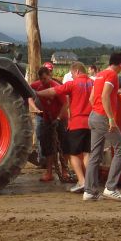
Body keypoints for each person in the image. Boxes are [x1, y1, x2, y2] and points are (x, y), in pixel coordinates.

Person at [36, 62, 93, 193]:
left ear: (77, 71)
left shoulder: (72, 84)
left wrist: (37, 93)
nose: (72, 76)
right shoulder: (93, 83)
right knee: (86, 154)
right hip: (90, 123)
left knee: (73, 155)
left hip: (77, 123)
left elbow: (52, 91)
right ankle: (88, 182)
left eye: (72, 74)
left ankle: (82, 181)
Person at [84, 51, 121, 201]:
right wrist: (110, 118)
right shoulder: (112, 75)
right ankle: (110, 188)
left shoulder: (100, 74)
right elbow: (105, 96)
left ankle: (89, 191)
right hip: (103, 117)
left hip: (93, 116)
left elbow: (92, 98)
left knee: (95, 155)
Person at [30, 65, 67, 183]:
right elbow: (28, 93)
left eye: (45, 79)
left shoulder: (57, 87)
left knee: (63, 145)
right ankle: (49, 172)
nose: (43, 81)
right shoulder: (37, 85)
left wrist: (59, 118)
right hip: (47, 118)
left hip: (60, 119)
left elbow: (66, 104)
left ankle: (65, 171)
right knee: (48, 147)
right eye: (41, 79)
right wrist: (34, 107)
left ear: (49, 76)